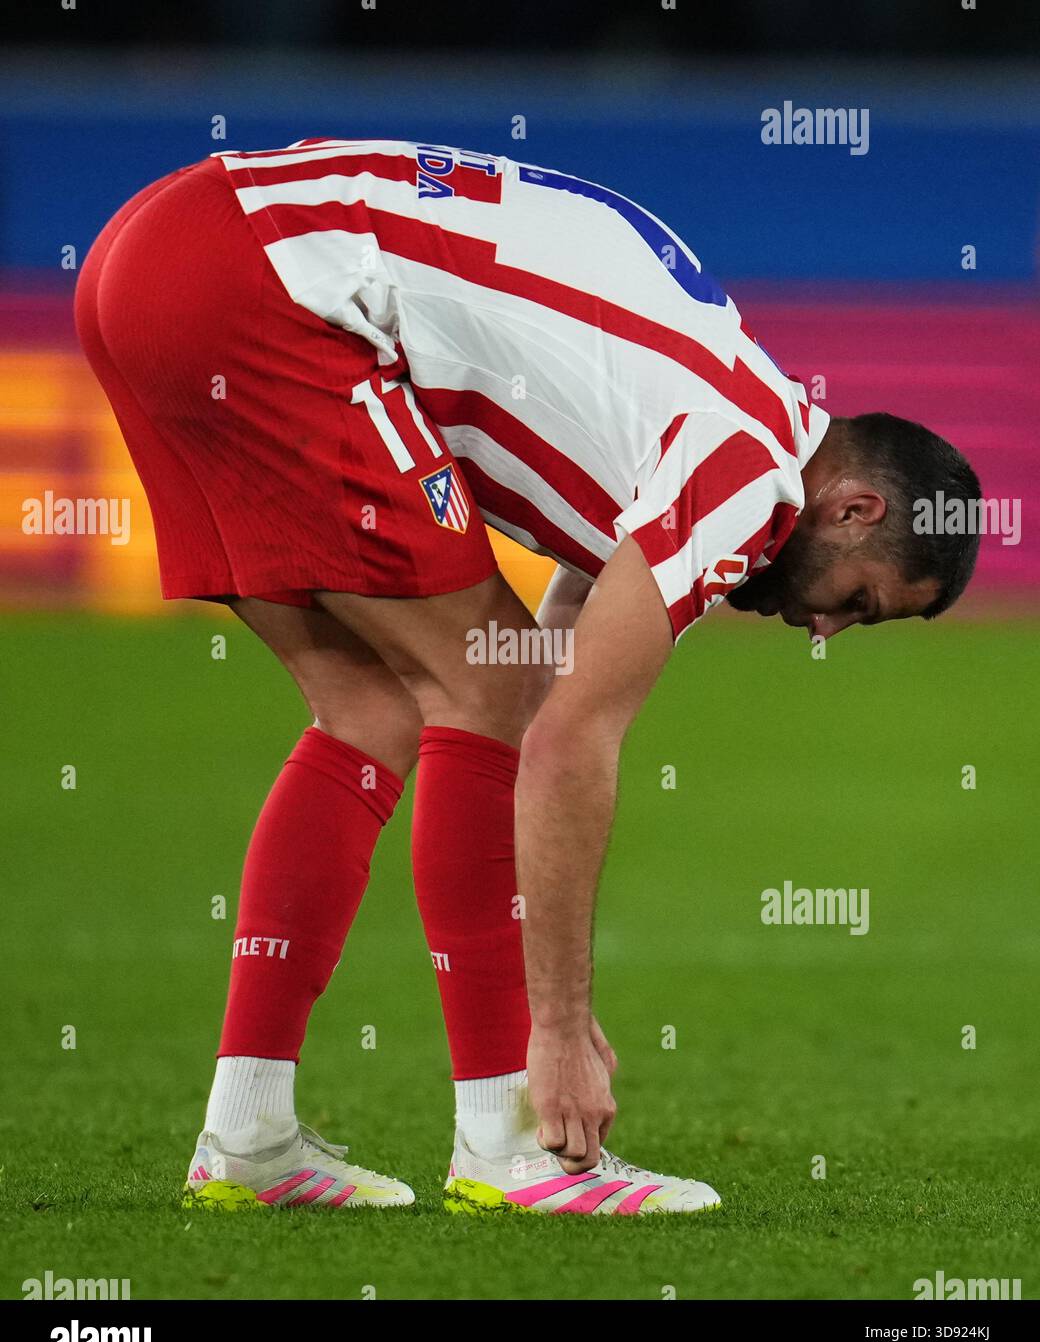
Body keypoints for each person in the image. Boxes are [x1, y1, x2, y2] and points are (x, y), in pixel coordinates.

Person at [75, 138, 981, 1216]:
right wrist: (553, 1027)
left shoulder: (712, 401)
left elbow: (552, 669)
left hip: (156, 257)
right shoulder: (749, 477)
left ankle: (247, 1134)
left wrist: (552, 965)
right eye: (856, 602)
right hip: (259, 285)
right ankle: (512, 1143)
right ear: (855, 510)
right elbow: (560, 738)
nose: (822, 629)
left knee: (371, 708)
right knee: (481, 687)